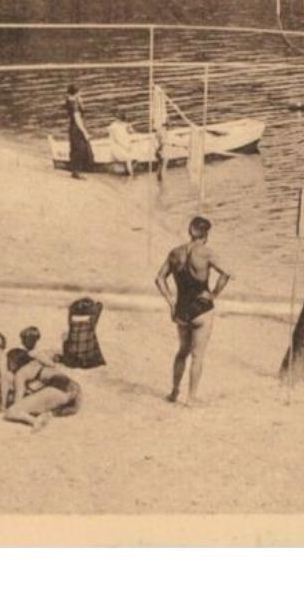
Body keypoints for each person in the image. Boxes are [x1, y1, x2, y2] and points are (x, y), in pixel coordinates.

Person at [155, 216, 232, 406]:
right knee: (198, 355)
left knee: (182, 352)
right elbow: (227, 273)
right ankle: (191, 398)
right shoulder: (206, 253)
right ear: (206, 234)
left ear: (190, 231)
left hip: (181, 308)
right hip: (202, 309)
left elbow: (159, 279)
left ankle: (174, 392)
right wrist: (214, 294)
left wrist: (171, 302)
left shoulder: (175, 253)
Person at [65, 84, 94, 179]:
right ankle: (76, 172)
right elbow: (77, 119)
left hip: (72, 127)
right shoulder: (74, 105)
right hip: (77, 128)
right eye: (79, 92)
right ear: (76, 93)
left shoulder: (69, 100)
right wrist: (85, 132)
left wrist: (80, 100)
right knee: (79, 149)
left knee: (75, 148)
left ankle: (75, 169)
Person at [108, 111, 138, 177]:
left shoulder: (124, 124)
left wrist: (130, 127)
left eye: (121, 119)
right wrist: (125, 146)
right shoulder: (113, 126)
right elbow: (116, 140)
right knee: (128, 158)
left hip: (124, 146)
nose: (118, 120)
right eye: (118, 119)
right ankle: (131, 175)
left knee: (133, 156)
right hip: (116, 147)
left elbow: (132, 132)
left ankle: (128, 171)